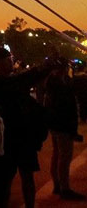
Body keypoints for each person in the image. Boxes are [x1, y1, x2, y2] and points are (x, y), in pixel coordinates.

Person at [0, 47, 56, 208]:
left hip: (14, 137)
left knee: (16, 178)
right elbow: (27, 78)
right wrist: (47, 65)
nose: (11, 61)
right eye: (6, 59)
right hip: (10, 138)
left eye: (10, 57)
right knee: (10, 179)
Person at [45, 59, 85, 200]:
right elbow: (66, 109)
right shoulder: (60, 85)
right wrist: (72, 131)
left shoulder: (54, 83)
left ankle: (58, 185)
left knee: (57, 155)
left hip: (56, 124)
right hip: (63, 125)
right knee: (64, 157)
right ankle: (65, 188)